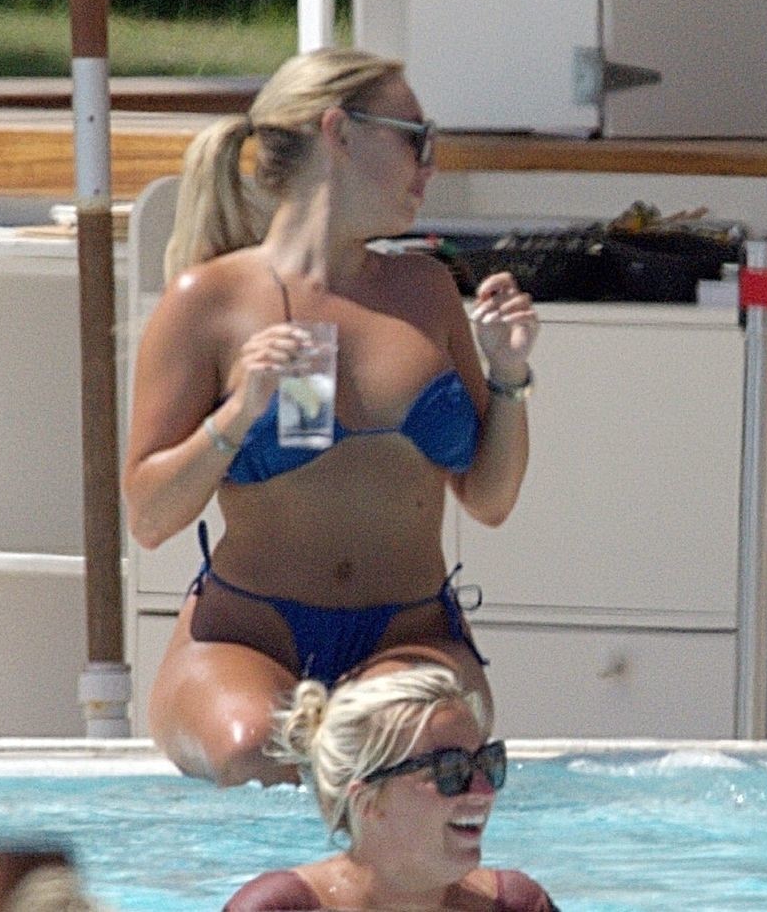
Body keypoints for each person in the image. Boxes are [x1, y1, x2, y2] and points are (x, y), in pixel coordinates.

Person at [124, 48, 538, 786]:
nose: (431, 164)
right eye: (416, 138)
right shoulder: (208, 301)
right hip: (250, 636)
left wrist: (508, 375)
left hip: (410, 634)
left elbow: (489, 499)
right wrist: (238, 414)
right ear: (339, 132)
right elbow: (150, 518)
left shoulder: (426, 290)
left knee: (399, 755)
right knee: (256, 751)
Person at [225, 659, 557, 911]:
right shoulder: (280, 908)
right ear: (369, 802)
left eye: (487, 763)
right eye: (450, 771)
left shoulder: (515, 905)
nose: (485, 790)